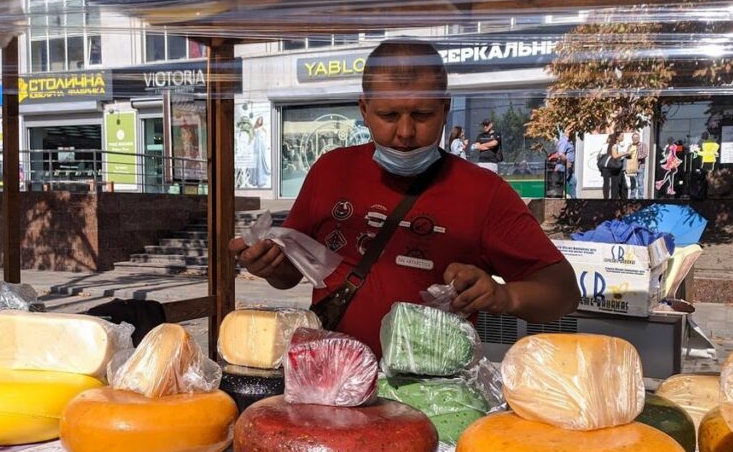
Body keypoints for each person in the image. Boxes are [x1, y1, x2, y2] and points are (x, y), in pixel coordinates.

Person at [228, 39, 579, 355]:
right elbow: (289, 274)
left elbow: (563, 290)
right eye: (389, 115)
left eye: (422, 115)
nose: (406, 132)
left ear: (445, 108)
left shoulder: (484, 192)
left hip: (433, 396)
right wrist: (270, 266)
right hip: (333, 383)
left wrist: (506, 296)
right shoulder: (331, 171)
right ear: (364, 110)